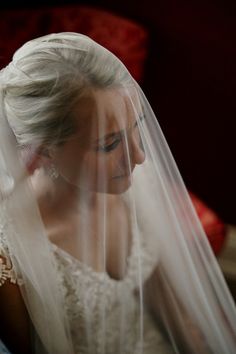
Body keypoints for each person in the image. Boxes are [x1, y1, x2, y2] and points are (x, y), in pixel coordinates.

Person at [0, 32, 235, 354]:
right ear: (42, 150)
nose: (139, 157)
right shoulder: (8, 258)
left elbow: (170, 306)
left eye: (137, 126)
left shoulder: (133, 183)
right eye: (108, 144)